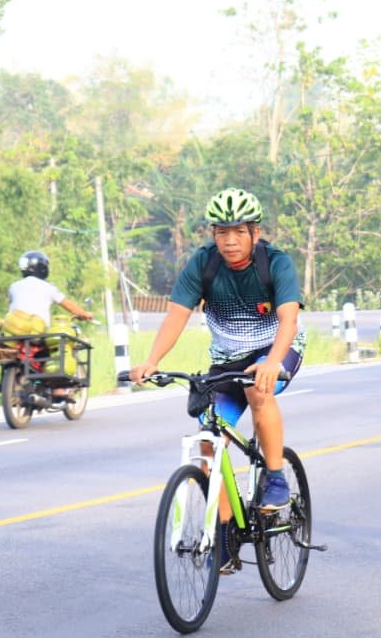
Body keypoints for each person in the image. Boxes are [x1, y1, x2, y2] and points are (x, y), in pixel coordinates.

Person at [130, 188, 305, 569]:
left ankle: (274, 477)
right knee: (209, 440)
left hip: (273, 350)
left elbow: (289, 320)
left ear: (255, 233)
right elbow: (176, 315)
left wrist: (273, 361)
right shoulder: (203, 265)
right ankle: (225, 533)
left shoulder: (276, 263)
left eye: (238, 232)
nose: (229, 240)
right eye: (221, 232)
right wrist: (151, 361)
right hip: (226, 359)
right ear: (212, 234)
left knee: (260, 392)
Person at [8, 250, 94, 326]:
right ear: (42, 268)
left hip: (15, 332)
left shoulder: (13, 286)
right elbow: (69, 305)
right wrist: (85, 314)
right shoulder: (48, 287)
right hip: (39, 334)